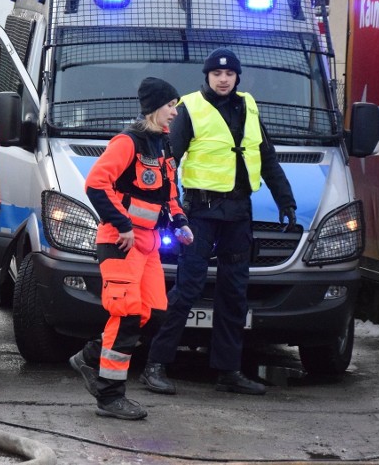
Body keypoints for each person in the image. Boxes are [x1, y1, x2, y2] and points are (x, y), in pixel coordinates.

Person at [141, 48, 297, 396]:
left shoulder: (249, 107)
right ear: (207, 77)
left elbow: (266, 156)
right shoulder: (190, 109)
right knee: (188, 289)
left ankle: (229, 370)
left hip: (239, 212)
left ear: (237, 77)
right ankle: (155, 363)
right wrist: (164, 209)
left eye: (229, 74)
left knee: (234, 293)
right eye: (216, 74)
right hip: (201, 213)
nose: (223, 79)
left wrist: (285, 200)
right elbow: (169, 163)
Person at [69, 77, 193, 420]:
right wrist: (123, 224)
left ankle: (90, 357)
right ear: (155, 107)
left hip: (148, 244)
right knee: (125, 316)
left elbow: (168, 193)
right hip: (120, 241)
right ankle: (110, 396)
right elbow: (96, 184)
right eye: (171, 106)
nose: (174, 113)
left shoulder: (164, 145)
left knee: (153, 314)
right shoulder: (128, 142)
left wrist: (180, 221)